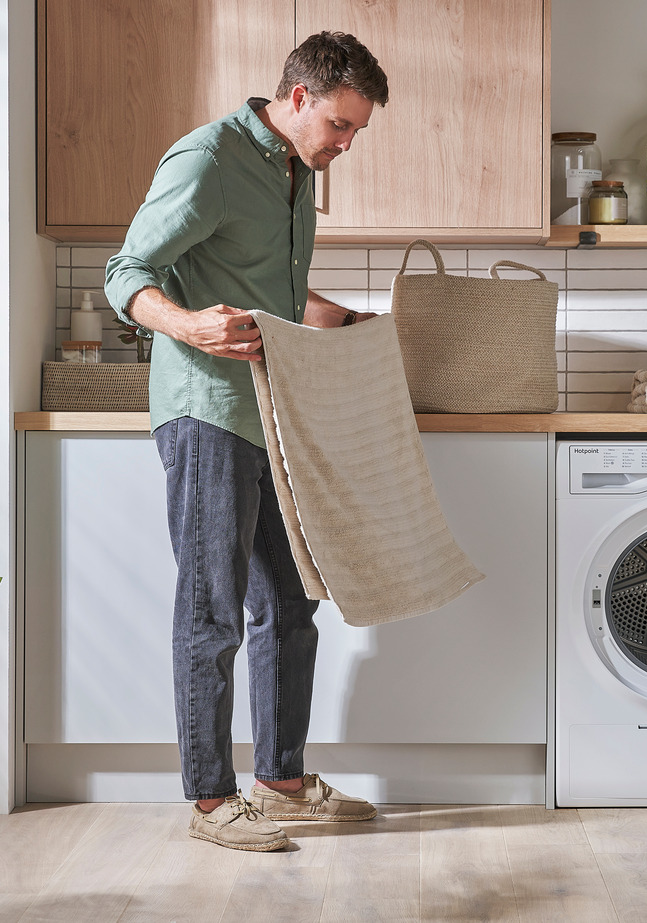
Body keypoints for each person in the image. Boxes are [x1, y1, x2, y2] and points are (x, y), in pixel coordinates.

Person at [103, 32, 389, 852]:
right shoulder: (208, 159)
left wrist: (362, 327)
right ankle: (210, 800)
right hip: (205, 409)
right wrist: (189, 323)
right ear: (297, 98)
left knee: (290, 602)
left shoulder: (295, 171)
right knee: (212, 609)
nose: (346, 142)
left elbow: (279, 291)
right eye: (340, 124)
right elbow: (126, 272)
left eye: (356, 131)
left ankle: (283, 780)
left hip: (269, 411)